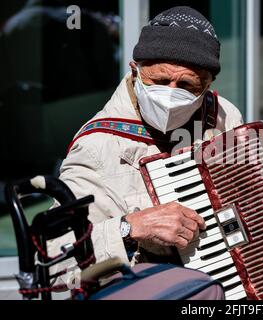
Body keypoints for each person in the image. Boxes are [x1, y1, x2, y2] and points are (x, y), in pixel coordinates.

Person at [48, 6, 243, 269]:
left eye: (187, 85)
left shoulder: (224, 115)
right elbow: (56, 256)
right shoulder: (97, 145)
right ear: (135, 69)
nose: (171, 94)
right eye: (159, 80)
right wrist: (131, 228)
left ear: (207, 85)